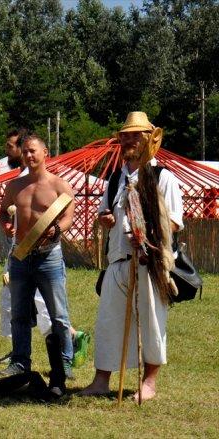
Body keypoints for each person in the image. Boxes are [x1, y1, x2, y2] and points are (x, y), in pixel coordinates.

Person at [80, 112, 183, 402]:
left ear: (148, 139)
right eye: (124, 136)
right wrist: (106, 219)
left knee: (151, 322)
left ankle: (148, 384)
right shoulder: (115, 179)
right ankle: (101, 381)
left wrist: (146, 232)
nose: (128, 140)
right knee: (108, 322)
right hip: (117, 261)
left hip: (148, 262)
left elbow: (174, 221)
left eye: (134, 135)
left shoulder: (162, 177)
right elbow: (104, 212)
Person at [0, 129, 89, 368]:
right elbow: (3, 210)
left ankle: (65, 361)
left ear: (45, 153)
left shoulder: (60, 185)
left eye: (32, 151)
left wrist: (56, 230)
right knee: (19, 315)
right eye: (24, 151)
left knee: (58, 315)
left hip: (49, 256)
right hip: (20, 256)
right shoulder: (14, 186)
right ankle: (20, 362)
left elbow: (69, 216)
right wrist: (5, 222)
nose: (28, 155)